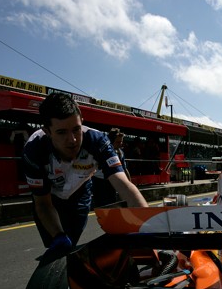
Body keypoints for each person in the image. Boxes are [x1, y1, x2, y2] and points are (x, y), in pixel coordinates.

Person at [23, 92, 148, 258]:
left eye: (76, 129)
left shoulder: (98, 141)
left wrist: (148, 225)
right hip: (50, 198)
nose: (72, 140)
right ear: (47, 131)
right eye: (61, 132)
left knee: (72, 243)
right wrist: (58, 235)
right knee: (58, 243)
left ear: (82, 121)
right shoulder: (34, 149)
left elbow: (124, 185)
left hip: (80, 193)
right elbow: (42, 203)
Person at [92, 128, 131, 207]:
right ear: (111, 141)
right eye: (118, 142)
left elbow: (124, 169)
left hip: (111, 182)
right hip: (99, 182)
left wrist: (129, 184)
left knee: (111, 204)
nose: (120, 144)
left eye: (121, 141)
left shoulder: (120, 153)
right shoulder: (100, 151)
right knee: (100, 206)